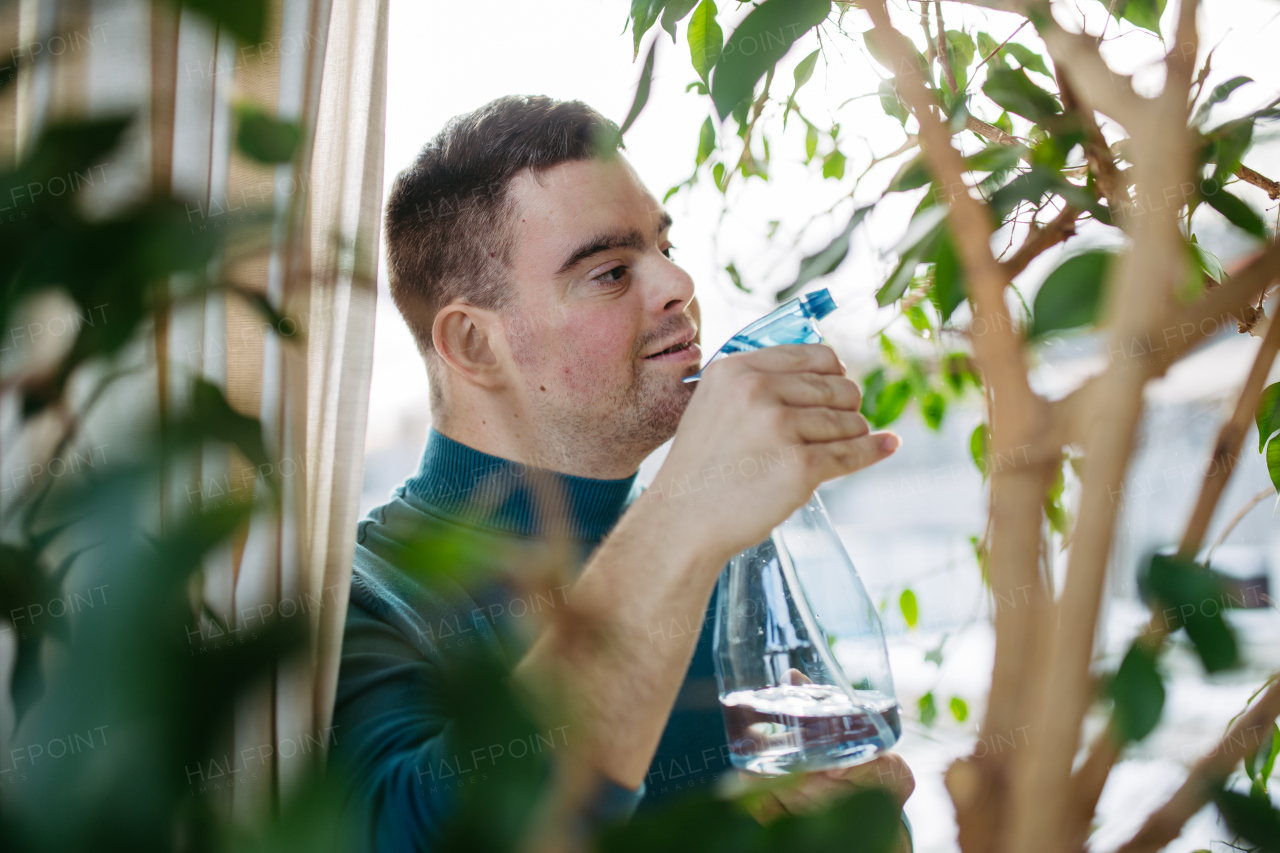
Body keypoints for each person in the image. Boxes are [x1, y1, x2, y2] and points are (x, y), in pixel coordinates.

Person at [332, 94, 913, 851]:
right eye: (610, 272)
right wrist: (687, 508)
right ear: (474, 344)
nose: (678, 286)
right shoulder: (360, 599)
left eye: (664, 247)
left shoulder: (724, 565)